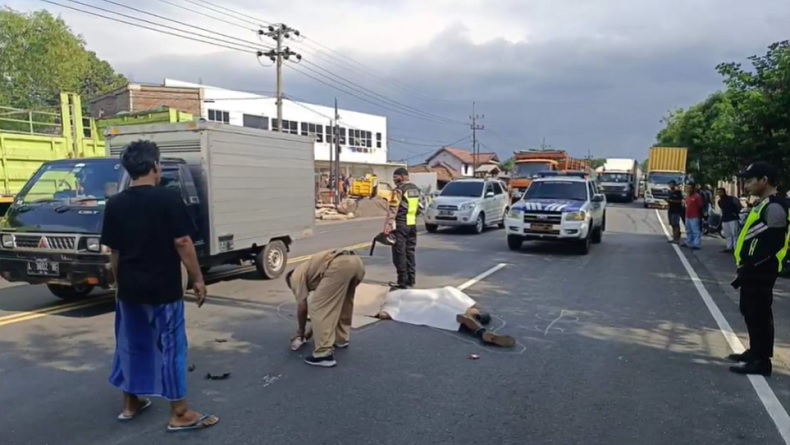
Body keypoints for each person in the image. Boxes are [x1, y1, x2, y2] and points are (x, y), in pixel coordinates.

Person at [100, 140, 219, 432]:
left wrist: (118, 283)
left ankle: (130, 404)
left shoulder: (115, 204)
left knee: (130, 346)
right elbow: (183, 242)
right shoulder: (167, 199)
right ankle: (179, 413)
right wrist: (197, 278)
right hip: (163, 291)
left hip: (129, 291)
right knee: (171, 348)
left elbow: (113, 252)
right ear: (154, 166)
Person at [728, 162, 789, 376]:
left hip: (762, 270)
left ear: (764, 180)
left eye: (750, 179)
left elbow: (774, 244)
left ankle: (762, 361)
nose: (746, 184)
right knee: (750, 311)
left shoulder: (774, 207)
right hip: (752, 269)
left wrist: (753, 265)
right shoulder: (763, 204)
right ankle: (755, 352)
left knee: (759, 314)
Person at [285, 248, 366, 368]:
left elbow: (303, 307)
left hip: (339, 266)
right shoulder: (311, 272)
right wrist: (313, 331)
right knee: (342, 303)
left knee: (318, 307)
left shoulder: (295, 277)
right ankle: (341, 339)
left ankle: (323, 354)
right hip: (356, 263)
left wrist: (300, 333)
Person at [385, 168, 421, 289]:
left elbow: (393, 209)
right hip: (412, 225)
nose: (394, 180)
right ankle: (411, 280)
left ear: (401, 176)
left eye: (395, 177)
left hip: (400, 225)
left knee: (399, 253)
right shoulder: (415, 189)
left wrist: (388, 225)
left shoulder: (398, 190)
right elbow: (420, 207)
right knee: (410, 252)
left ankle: (402, 281)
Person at [717, 187, 742, 253]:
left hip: (733, 219)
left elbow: (738, 206)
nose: (720, 194)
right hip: (725, 219)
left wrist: (735, 213)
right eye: (718, 192)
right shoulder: (719, 201)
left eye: (721, 192)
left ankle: (736, 248)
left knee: (735, 234)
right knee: (727, 235)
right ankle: (729, 247)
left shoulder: (732, 199)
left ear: (724, 192)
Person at [683, 183, 704, 249]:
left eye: (690, 188)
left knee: (695, 231)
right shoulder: (687, 196)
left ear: (693, 189)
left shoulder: (697, 196)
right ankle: (689, 242)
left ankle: (696, 244)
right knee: (688, 230)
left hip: (695, 216)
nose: (689, 189)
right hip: (687, 216)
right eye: (688, 188)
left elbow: (700, 206)